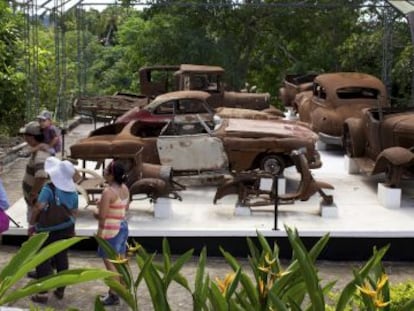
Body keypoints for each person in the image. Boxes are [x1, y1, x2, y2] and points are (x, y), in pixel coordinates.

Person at [29, 156, 78, 304]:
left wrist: (32, 225)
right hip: (66, 227)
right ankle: (60, 288)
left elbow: (39, 208)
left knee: (42, 258)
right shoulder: (73, 191)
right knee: (61, 256)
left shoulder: (49, 189)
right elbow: (74, 212)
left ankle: (43, 293)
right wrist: (72, 229)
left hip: (47, 229)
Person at [94, 160, 129, 306]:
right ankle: (125, 288)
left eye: (107, 170)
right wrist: (102, 204)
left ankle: (114, 294)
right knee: (121, 260)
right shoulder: (125, 188)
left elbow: (102, 216)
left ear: (112, 175)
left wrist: (95, 210)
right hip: (122, 227)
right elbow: (123, 208)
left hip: (110, 231)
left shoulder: (108, 192)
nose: (104, 172)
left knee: (110, 264)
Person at [20, 121, 50, 225]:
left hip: (37, 201)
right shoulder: (38, 151)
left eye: (25, 135)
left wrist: (33, 194)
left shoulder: (40, 155)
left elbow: (41, 176)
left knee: (35, 227)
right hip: (36, 201)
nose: (24, 137)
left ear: (31, 137)